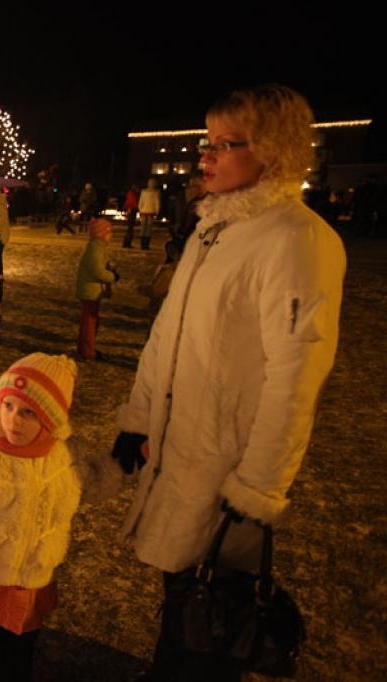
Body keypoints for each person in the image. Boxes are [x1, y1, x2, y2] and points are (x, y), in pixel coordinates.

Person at [110, 84, 346, 681]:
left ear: (273, 150)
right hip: (180, 450)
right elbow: (168, 336)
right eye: (205, 143)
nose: (205, 158)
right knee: (183, 603)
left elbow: (296, 376)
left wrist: (257, 490)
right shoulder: (216, 229)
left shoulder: (296, 240)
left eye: (225, 144)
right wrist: (137, 421)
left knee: (212, 621)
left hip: (226, 470)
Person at [0, 353, 119, 682]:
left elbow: (83, 487)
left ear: (51, 420)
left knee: (18, 662)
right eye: (8, 406)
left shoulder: (58, 458)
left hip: (34, 590)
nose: (13, 420)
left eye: (28, 412)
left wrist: (124, 462)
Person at [75, 218, 119, 360]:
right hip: (90, 292)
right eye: (109, 232)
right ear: (102, 234)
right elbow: (97, 272)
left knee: (88, 321)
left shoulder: (98, 247)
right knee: (90, 322)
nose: (111, 235)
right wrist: (112, 276)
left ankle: (84, 347)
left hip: (91, 290)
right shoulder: (95, 248)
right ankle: (88, 350)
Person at [136, 239, 181, 325]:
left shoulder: (169, 271)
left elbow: (156, 291)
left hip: (161, 310)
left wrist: (144, 289)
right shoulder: (180, 269)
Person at [137, 178, 161, 249]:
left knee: (144, 228)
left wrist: (141, 209)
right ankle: (145, 244)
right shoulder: (155, 192)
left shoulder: (144, 192)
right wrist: (157, 211)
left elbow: (140, 202)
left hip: (145, 212)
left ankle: (143, 244)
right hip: (150, 212)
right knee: (147, 228)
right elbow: (157, 203)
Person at [122, 184, 139, 248]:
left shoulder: (132, 193)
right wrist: (129, 208)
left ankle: (127, 243)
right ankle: (127, 243)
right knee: (130, 228)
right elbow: (130, 202)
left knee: (130, 228)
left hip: (132, 210)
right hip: (132, 210)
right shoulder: (132, 193)